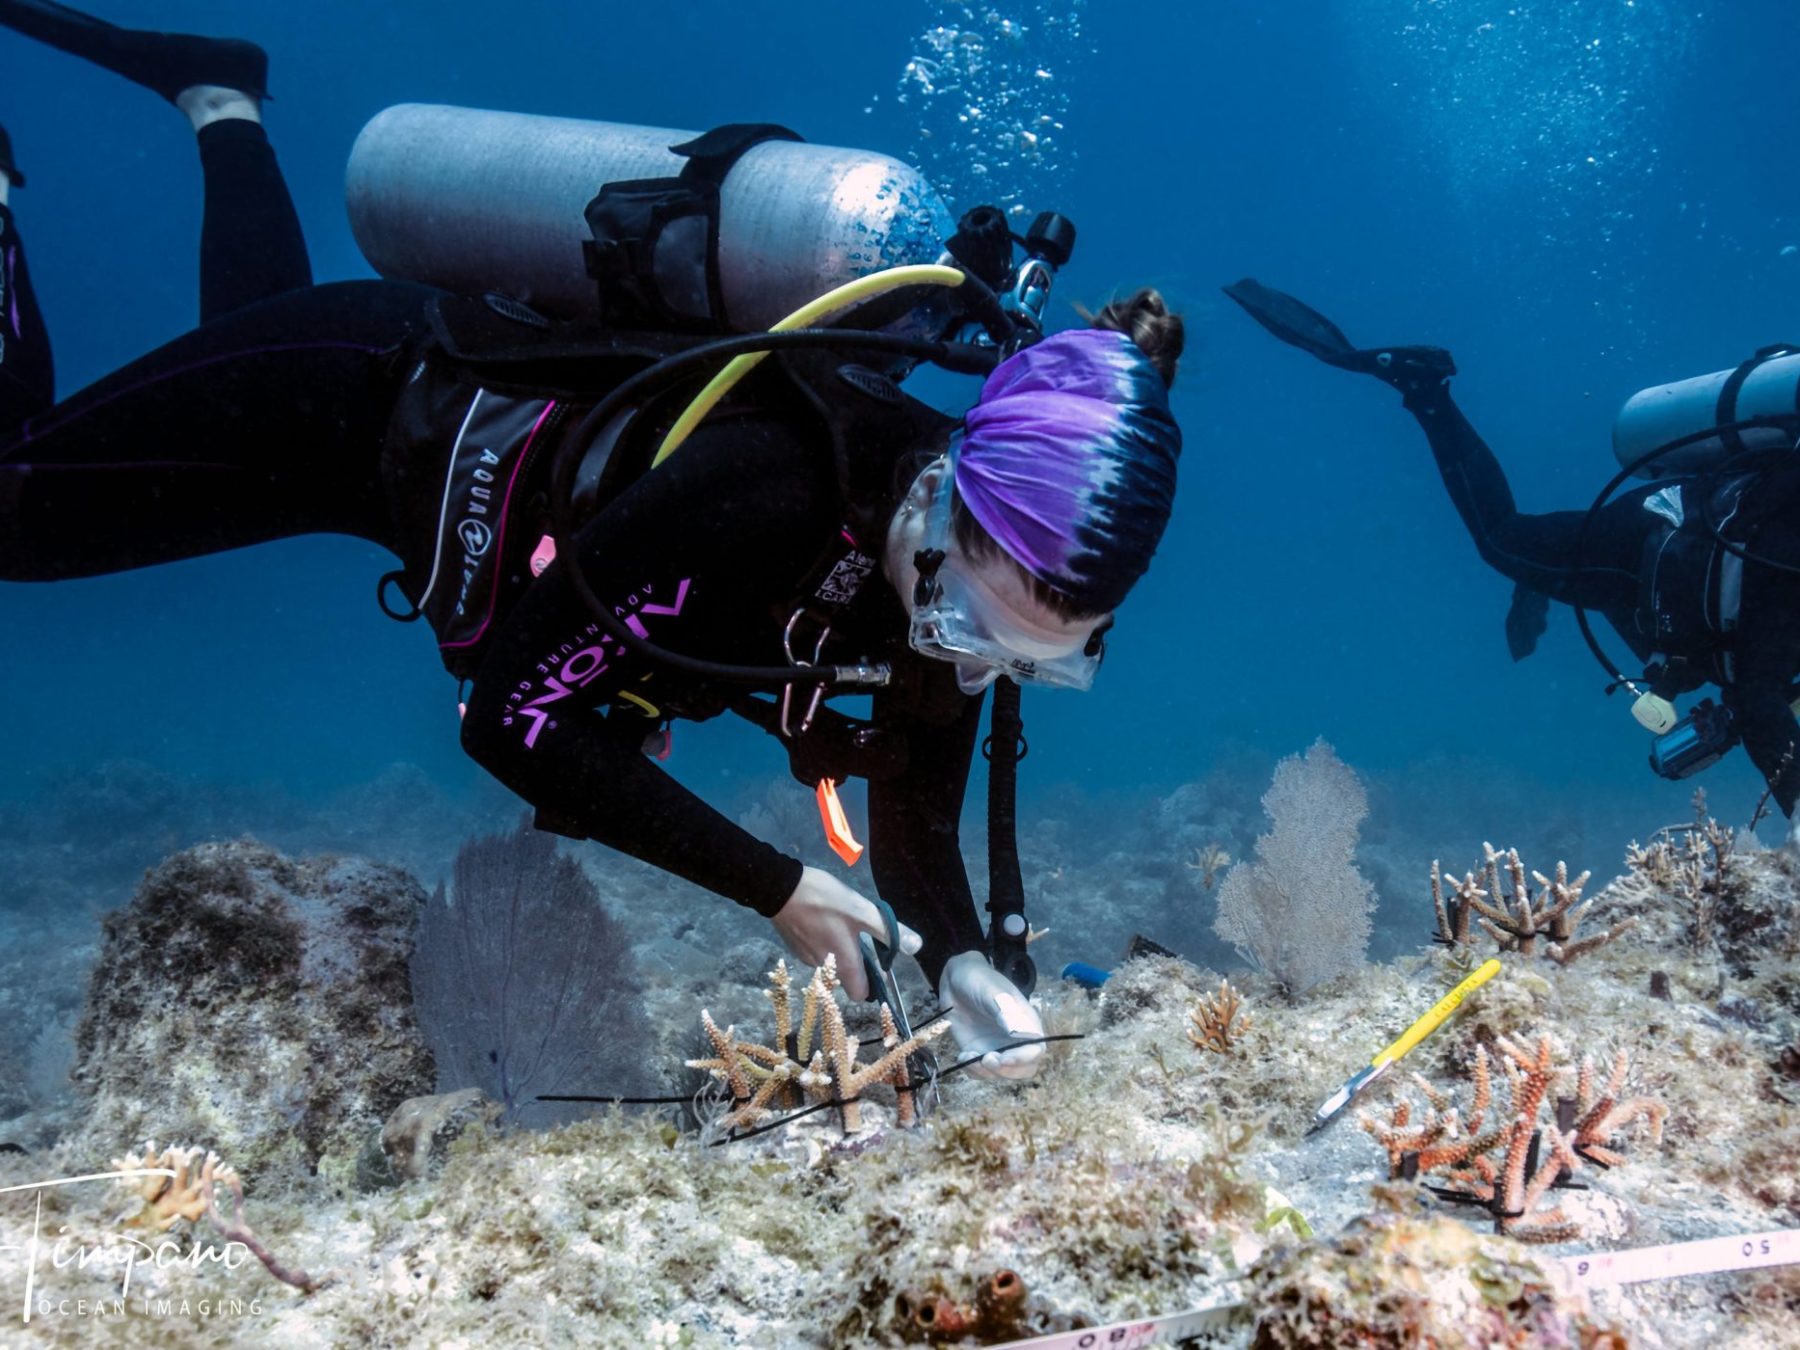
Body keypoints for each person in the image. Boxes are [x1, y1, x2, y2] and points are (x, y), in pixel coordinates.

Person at [0, 4, 1185, 1081]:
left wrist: (960, 967)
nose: (971, 666)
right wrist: (775, 888)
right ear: (939, 507)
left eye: (1037, 662)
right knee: (15, 507)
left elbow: (922, 813)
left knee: (218, 348)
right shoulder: (769, 482)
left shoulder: (969, 589)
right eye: (975, 630)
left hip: (418, 498)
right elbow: (507, 717)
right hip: (365, 391)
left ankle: (223, 108)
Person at [1226, 278, 1800, 816]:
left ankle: (1549, 576)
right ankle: (1422, 388)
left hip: (1683, 569)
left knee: (1604, 596)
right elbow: (1759, 699)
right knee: (1502, 540)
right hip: (1650, 541)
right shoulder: (1786, 564)